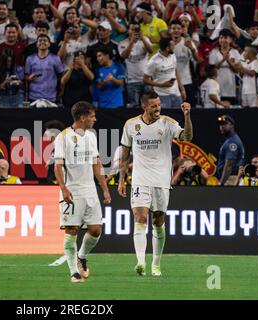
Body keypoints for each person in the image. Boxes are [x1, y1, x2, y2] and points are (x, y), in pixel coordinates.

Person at [118, 91, 193, 277]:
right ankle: (141, 262)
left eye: (159, 105)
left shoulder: (167, 123)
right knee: (140, 218)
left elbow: (187, 138)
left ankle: (156, 264)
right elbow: (125, 155)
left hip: (161, 180)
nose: (158, 108)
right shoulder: (131, 125)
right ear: (145, 107)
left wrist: (187, 116)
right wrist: (121, 180)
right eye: (154, 106)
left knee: (158, 221)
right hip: (140, 179)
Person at [54, 101, 111, 283]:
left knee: (96, 230)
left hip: (90, 191)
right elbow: (58, 166)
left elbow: (96, 164)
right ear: (82, 117)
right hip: (72, 191)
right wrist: (63, 188)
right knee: (72, 230)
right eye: (92, 116)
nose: (95, 119)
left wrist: (105, 189)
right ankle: (74, 272)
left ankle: (82, 256)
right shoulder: (63, 137)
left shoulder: (91, 137)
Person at [144, 37, 186, 109]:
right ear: (167, 48)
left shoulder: (172, 55)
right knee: (165, 118)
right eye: (172, 45)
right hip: (162, 95)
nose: (174, 47)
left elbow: (175, 71)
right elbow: (145, 80)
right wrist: (162, 84)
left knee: (178, 117)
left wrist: (182, 89)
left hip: (176, 93)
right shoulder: (153, 61)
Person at [118, 23, 152, 108]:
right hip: (132, 81)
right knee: (134, 106)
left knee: (149, 105)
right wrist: (132, 42)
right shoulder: (123, 43)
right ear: (128, 30)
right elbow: (124, 56)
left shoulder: (145, 40)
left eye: (136, 29)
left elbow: (151, 50)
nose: (134, 32)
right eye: (132, 29)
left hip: (146, 80)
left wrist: (143, 38)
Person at [25, 34, 64, 104]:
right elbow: (26, 77)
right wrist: (29, 78)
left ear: (49, 44)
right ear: (36, 44)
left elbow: (61, 76)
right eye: (40, 41)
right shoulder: (30, 59)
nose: (42, 42)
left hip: (51, 97)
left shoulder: (56, 58)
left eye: (45, 40)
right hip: (34, 97)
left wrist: (60, 92)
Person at [208, 29, 241, 106]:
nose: (223, 40)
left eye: (225, 38)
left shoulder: (235, 52)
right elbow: (211, 70)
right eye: (221, 38)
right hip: (217, 85)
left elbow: (237, 70)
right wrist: (223, 59)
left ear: (230, 39)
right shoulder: (214, 52)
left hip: (231, 86)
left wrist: (228, 61)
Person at [216, 115, 245, 186]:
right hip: (229, 178)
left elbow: (229, 165)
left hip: (230, 179)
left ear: (232, 125)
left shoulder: (232, 142)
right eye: (220, 124)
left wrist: (221, 183)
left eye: (225, 124)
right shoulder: (231, 139)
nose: (222, 126)